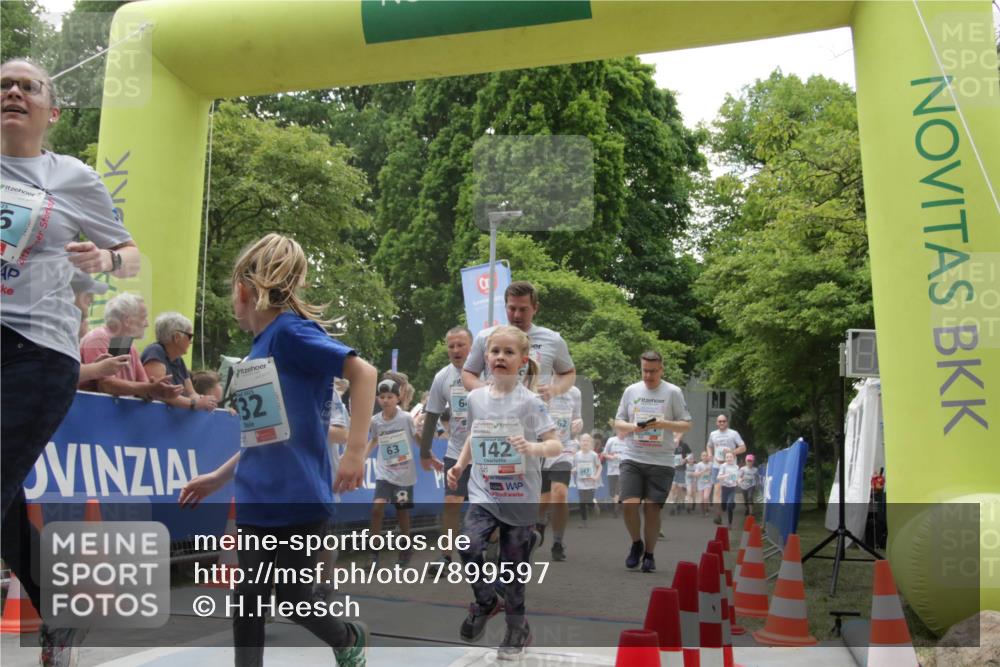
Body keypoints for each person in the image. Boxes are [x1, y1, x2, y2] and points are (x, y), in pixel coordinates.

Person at [1, 57, 144, 667]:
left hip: (38, 354)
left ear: (50, 111)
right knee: (5, 505)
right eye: (2, 85)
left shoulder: (71, 176)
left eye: (27, 87)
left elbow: (131, 253)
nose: (12, 91)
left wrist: (105, 263)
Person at [177, 233, 377, 667]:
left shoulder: (290, 333)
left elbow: (364, 373)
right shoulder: (257, 350)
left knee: (292, 598)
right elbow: (260, 433)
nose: (233, 300)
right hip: (255, 497)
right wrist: (218, 476)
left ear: (245, 290)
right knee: (246, 600)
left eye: (232, 290)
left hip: (300, 496)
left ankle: (347, 636)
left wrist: (356, 451)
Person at [447, 325, 560, 661]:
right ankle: (485, 601)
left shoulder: (531, 403)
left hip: (520, 498)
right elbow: (474, 434)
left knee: (511, 573)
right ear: (485, 357)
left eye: (509, 353)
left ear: (522, 361)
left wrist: (532, 447)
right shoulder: (475, 398)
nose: (500, 357)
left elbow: (555, 444)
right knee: (467, 545)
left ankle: (516, 630)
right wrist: (460, 465)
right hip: (484, 491)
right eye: (495, 351)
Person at [614, 350, 692, 573]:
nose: (648, 376)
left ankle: (649, 554)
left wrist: (663, 424)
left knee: (651, 509)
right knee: (628, 504)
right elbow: (619, 422)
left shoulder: (673, 392)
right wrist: (634, 427)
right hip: (632, 456)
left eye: (653, 372)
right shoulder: (631, 391)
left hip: (661, 460)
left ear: (662, 370)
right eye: (644, 371)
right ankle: (636, 544)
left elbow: (686, 424)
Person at [461, 280, 575, 401]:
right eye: (512, 308)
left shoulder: (553, 339)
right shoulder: (485, 337)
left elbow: (568, 373)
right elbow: (468, 373)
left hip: (534, 414)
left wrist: (554, 389)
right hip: (496, 413)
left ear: (535, 308)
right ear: (505, 306)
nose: (517, 315)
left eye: (523, 309)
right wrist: (482, 388)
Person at [419, 326, 471, 565]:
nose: (455, 350)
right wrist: (425, 451)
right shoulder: (443, 377)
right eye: (451, 346)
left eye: (461, 344)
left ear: (471, 346)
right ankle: (446, 555)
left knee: (489, 507)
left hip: (487, 452)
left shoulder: (488, 372)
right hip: (456, 450)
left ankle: (494, 545)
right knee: (451, 502)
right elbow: (431, 414)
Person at [78, 292, 184, 402]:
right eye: (143, 318)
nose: (147, 324)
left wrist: (155, 390)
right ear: (127, 320)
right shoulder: (98, 339)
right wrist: (150, 389)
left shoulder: (125, 344)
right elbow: (106, 386)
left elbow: (143, 386)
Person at [366, 378, 421, 566]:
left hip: (404, 474)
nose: (386, 400)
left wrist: (427, 453)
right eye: (382, 397)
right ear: (377, 399)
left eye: (390, 396)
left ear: (398, 398)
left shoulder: (405, 418)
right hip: (384, 472)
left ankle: (406, 547)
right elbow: (374, 440)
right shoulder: (375, 421)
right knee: (377, 508)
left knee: (402, 511)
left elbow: (416, 437)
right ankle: (373, 555)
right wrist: (361, 458)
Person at [538, 383, 582, 561]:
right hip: (539, 447)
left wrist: (578, 423)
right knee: (542, 499)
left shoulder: (574, 392)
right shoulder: (537, 386)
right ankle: (539, 520)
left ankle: (557, 542)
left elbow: (577, 418)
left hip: (563, 448)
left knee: (560, 493)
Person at [142, 312, 218, 411]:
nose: (191, 341)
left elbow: (191, 393)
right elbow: (160, 393)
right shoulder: (155, 352)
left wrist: (205, 400)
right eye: (190, 336)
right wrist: (195, 403)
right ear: (177, 337)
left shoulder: (178, 360)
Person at [707, 414, 746, 525]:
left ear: (727, 422)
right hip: (717, 466)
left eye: (724, 421)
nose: (721, 423)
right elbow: (709, 446)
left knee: (730, 488)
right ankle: (718, 516)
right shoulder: (713, 434)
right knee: (717, 490)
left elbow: (743, 447)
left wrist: (731, 452)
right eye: (719, 421)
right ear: (716, 422)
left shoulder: (733, 433)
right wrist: (710, 454)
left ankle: (730, 503)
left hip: (731, 467)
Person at [573, 433, 602, 528]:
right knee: (582, 502)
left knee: (588, 501)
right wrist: (572, 471)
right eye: (583, 440)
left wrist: (596, 476)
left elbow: (599, 466)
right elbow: (576, 467)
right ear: (580, 442)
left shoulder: (593, 455)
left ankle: (593, 505)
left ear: (590, 443)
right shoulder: (577, 455)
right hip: (580, 482)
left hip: (591, 482)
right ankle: (584, 522)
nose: (585, 442)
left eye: (587, 440)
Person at [602, 427, 626, 517]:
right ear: (616, 431)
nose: (622, 433)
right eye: (620, 430)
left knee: (618, 490)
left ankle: (616, 509)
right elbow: (604, 453)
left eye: (624, 431)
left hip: (623, 470)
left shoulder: (628, 442)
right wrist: (611, 457)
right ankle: (618, 506)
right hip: (612, 470)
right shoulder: (611, 440)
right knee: (612, 492)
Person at [668, 436, 692, 515]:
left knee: (680, 488)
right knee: (673, 487)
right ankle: (672, 504)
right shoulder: (669, 444)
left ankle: (679, 503)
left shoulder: (684, 445)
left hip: (681, 469)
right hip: (672, 469)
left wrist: (685, 459)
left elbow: (690, 454)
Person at [716, 451, 740, 529]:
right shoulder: (723, 466)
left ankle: (729, 523)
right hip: (724, 488)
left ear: (733, 458)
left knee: (729, 506)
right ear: (725, 458)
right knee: (724, 507)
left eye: (730, 457)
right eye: (727, 457)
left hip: (732, 488)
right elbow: (718, 477)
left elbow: (737, 477)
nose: (729, 458)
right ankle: (732, 503)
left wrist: (739, 481)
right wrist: (726, 475)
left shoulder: (736, 467)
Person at [695, 451, 714, 516]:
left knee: (706, 497)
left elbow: (713, 473)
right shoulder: (699, 464)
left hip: (708, 483)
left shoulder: (711, 464)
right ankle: (703, 511)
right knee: (702, 499)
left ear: (708, 457)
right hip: (700, 483)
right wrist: (704, 471)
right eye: (703, 455)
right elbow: (696, 474)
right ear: (701, 457)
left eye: (706, 455)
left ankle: (706, 510)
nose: (705, 457)